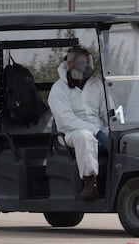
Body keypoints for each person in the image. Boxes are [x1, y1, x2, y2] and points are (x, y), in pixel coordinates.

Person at [48, 46, 108, 200]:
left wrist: (114, 127)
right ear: (70, 65)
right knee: (84, 136)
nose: (86, 67)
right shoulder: (58, 89)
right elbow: (66, 121)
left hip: (98, 129)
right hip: (69, 133)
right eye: (81, 63)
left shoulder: (97, 84)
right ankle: (90, 183)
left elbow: (106, 111)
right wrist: (97, 132)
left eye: (87, 62)